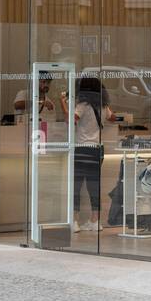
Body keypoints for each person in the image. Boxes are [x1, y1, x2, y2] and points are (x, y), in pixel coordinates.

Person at [62, 76, 112, 233]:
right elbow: (113, 117)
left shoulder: (82, 105)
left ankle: (75, 221)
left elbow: (71, 120)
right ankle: (95, 221)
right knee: (93, 186)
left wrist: (63, 102)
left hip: (83, 148)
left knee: (76, 186)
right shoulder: (103, 106)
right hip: (98, 150)